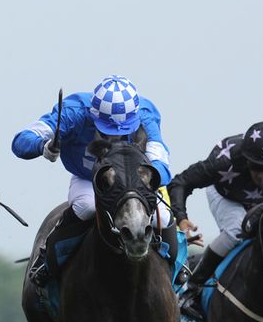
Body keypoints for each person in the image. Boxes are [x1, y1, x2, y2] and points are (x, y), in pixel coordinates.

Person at [12, 75, 174, 286]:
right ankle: (47, 260)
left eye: (124, 129)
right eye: (108, 128)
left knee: (162, 214)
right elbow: (20, 141)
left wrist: (147, 180)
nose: (115, 136)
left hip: (134, 182)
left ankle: (179, 273)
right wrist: (43, 146)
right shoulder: (73, 111)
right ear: (93, 114)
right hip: (89, 178)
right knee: (85, 207)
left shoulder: (144, 114)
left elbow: (161, 162)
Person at [168, 120, 263, 319]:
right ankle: (193, 287)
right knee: (236, 231)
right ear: (246, 159)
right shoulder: (223, 161)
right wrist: (181, 218)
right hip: (225, 195)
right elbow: (180, 182)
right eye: (258, 168)